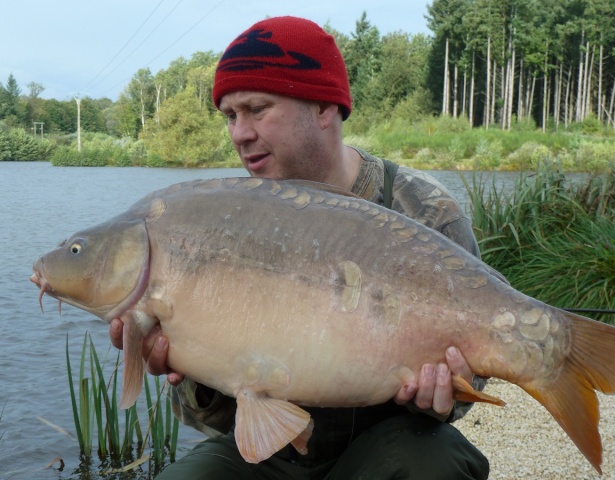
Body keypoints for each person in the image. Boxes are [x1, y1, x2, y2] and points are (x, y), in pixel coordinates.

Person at [109, 16, 489, 480]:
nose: (238, 133)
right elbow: (207, 417)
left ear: (324, 107)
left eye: (257, 109)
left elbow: (477, 369)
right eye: (230, 115)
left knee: (436, 462)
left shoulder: (424, 211)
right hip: (271, 456)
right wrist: (188, 372)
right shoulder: (225, 216)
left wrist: (442, 397)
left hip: (387, 444)